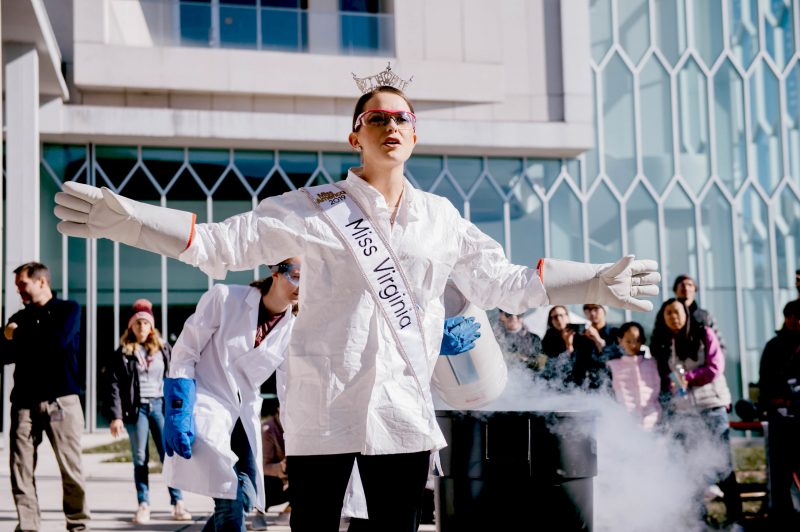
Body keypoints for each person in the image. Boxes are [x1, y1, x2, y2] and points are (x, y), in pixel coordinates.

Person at [54, 72, 660, 532]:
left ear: (416, 133)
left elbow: (505, 283)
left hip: (403, 418)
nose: (390, 125)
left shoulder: (442, 219)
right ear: (355, 134)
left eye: (402, 117)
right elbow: (219, 244)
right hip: (323, 415)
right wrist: (131, 221)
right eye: (376, 118)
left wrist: (592, 283)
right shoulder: (312, 209)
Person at [0, 262, 91, 531]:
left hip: (61, 400)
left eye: (23, 285)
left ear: (42, 282)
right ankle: (28, 526)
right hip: (24, 403)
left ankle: (78, 525)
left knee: (70, 468)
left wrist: (16, 336)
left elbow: (56, 343)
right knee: (20, 469)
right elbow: (4, 354)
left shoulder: (69, 310)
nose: (19, 291)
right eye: (17, 286)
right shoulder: (19, 316)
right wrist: (14, 338)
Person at [650, 298, 741, 525]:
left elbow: (715, 368)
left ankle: (736, 520)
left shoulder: (704, 333)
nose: (673, 317)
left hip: (711, 407)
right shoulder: (664, 344)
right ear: (663, 318)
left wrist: (687, 378)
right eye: (668, 313)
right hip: (685, 413)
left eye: (677, 312)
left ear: (686, 313)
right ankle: (699, 521)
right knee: (693, 469)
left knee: (723, 467)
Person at [107, 299, 192, 524]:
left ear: (151, 326)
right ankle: (143, 505)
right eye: (137, 324)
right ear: (131, 327)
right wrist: (116, 416)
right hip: (137, 411)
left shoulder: (165, 349)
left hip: (160, 407)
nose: (142, 327)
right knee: (140, 458)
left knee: (169, 455)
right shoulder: (123, 353)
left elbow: (178, 377)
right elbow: (114, 385)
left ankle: (178, 502)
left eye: (145, 323)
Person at [758, 299, 800, 527]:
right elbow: (765, 381)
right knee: (780, 475)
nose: (795, 321)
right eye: (791, 315)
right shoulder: (774, 346)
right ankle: (783, 519)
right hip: (780, 418)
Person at [605, 322, 661, 429]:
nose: (633, 345)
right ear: (620, 341)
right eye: (628, 341)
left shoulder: (652, 363)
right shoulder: (612, 366)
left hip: (653, 423)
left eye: (637, 340)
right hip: (626, 425)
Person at [672, 274, 725, 349]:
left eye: (690, 285)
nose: (686, 288)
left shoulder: (705, 316)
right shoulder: (666, 315)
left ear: (695, 291)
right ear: (675, 290)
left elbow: (719, 343)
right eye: (682, 284)